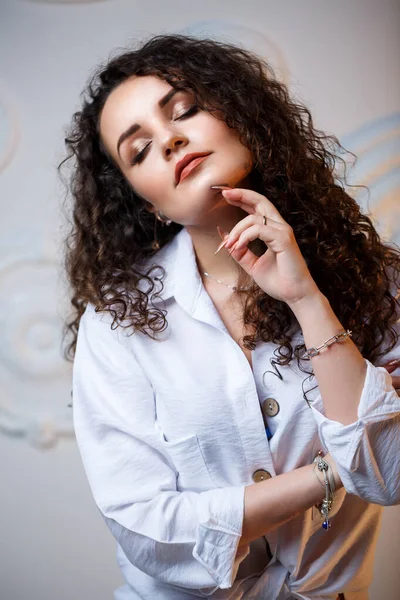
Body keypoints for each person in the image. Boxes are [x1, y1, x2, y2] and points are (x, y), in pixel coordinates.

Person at [60, 33, 400, 600]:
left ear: (240, 116)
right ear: (146, 203)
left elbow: (388, 475)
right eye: (138, 150)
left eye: (185, 110)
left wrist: (307, 299)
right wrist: (329, 471)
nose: (169, 140)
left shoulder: (376, 279)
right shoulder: (117, 322)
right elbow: (147, 531)